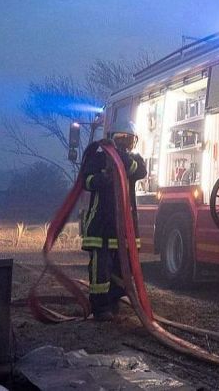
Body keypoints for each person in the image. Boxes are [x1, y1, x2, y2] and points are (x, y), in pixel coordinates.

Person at [81, 120, 147, 321]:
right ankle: (100, 308)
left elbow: (139, 171)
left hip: (124, 227)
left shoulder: (133, 160)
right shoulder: (99, 159)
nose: (125, 145)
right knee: (100, 268)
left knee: (121, 267)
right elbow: (86, 180)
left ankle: (114, 302)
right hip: (102, 223)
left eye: (129, 141)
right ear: (111, 138)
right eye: (121, 140)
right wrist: (101, 179)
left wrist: (124, 158)